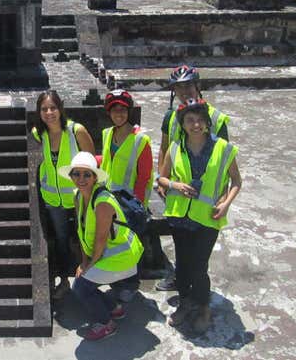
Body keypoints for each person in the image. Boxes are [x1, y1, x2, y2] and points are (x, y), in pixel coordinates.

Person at [157, 98, 242, 335]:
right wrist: (176, 184)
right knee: (182, 267)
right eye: (189, 120)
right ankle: (185, 302)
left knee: (199, 266)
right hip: (180, 217)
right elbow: (161, 179)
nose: (195, 125)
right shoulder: (175, 148)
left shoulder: (223, 148)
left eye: (199, 120)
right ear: (182, 124)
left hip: (207, 218)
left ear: (206, 123)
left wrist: (225, 204)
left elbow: (236, 181)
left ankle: (203, 307)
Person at [156, 65, 230, 292]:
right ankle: (180, 280)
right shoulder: (172, 116)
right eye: (179, 87)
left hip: (205, 195)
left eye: (188, 85)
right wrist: (162, 178)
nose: (184, 91)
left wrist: (224, 198)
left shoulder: (215, 119)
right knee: (181, 243)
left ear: (198, 86)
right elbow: (165, 146)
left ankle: (197, 296)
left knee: (199, 252)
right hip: (178, 191)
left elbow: (224, 160)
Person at [61, 152, 144, 341]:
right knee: (84, 281)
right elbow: (81, 231)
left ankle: (106, 324)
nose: (81, 179)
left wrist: (87, 266)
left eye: (87, 174)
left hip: (120, 257)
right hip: (107, 255)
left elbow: (100, 239)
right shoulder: (78, 196)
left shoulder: (103, 202)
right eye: (76, 174)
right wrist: (83, 261)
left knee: (80, 288)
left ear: (95, 177)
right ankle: (114, 309)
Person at [31, 90, 95, 300]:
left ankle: (89, 278)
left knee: (85, 237)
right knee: (60, 239)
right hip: (53, 199)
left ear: (60, 109)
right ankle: (64, 280)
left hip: (78, 197)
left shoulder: (77, 131)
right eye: (44, 109)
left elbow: (92, 163)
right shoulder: (40, 134)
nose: (49, 113)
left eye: (53, 108)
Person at [99, 89, 153, 302]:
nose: (119, 114)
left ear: (128, 111)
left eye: (122, 110)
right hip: (109, 200)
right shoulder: (107, 134)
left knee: (130, 245)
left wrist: (138, 204)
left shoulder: (140, 140)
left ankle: (130, 283)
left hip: (130, 203)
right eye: (115, 110)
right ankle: (116, 280)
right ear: (109, 113)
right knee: (114, 243)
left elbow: (145, 176)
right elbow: (105, 162)